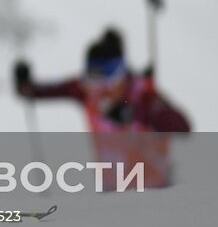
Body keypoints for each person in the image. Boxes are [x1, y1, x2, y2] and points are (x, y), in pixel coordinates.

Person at [14, 28, 190, 189]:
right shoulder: (87, 92)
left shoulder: (143, 94)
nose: (101, 91)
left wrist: (136, 114)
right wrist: (26, 87)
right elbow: (49, 90)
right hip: (111, 193)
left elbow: (182, 126)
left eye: (107, 82)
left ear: (122, 75)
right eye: (94, 81)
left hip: (155, 193)